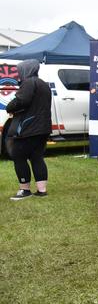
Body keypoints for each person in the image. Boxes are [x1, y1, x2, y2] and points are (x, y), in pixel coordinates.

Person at [5, 59, 52, 200]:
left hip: (28, 127)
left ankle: (24, 190)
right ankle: (42, 191)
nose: (19, 74)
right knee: (37, 157)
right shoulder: (43, 84)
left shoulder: (29, 83)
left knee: (18, 156)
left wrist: (10, 107)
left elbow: (21, 101)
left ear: (26, 70)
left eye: (20, 71)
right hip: (43, 127)